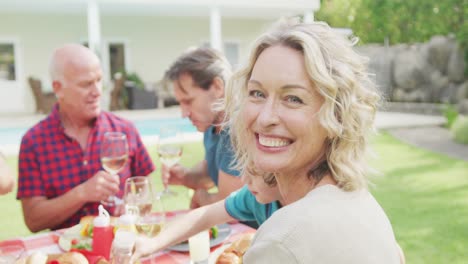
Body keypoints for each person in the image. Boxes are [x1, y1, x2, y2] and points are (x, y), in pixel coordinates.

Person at [223, 19, 403, 263]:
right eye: (257, 93)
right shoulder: (360, 200)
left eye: (293, 99)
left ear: (336, 116)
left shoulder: (283, 241)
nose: (265, 118)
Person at [17, 44, 155, 232]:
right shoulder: (33, 142)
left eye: (99, 81)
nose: (97, 91)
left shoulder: (124, 130)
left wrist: (135, 202)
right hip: (68, 255)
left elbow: (144, 186)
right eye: (86, 84)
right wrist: (82, 193)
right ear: (58, 88)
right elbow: (33, 220)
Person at [131, 165, 283, 261]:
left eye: (255, 170)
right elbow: (205, 215)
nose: (244, 179)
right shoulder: (253, 196)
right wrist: (152, 242)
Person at [162, 47, 243, 208]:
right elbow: (214, 171)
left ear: (217, 87)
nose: (183, 113)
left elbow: (231, 206)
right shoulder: (212, 126)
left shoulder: (235, 128)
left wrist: (201, 197)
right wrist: (185, 176)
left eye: (188, 101)